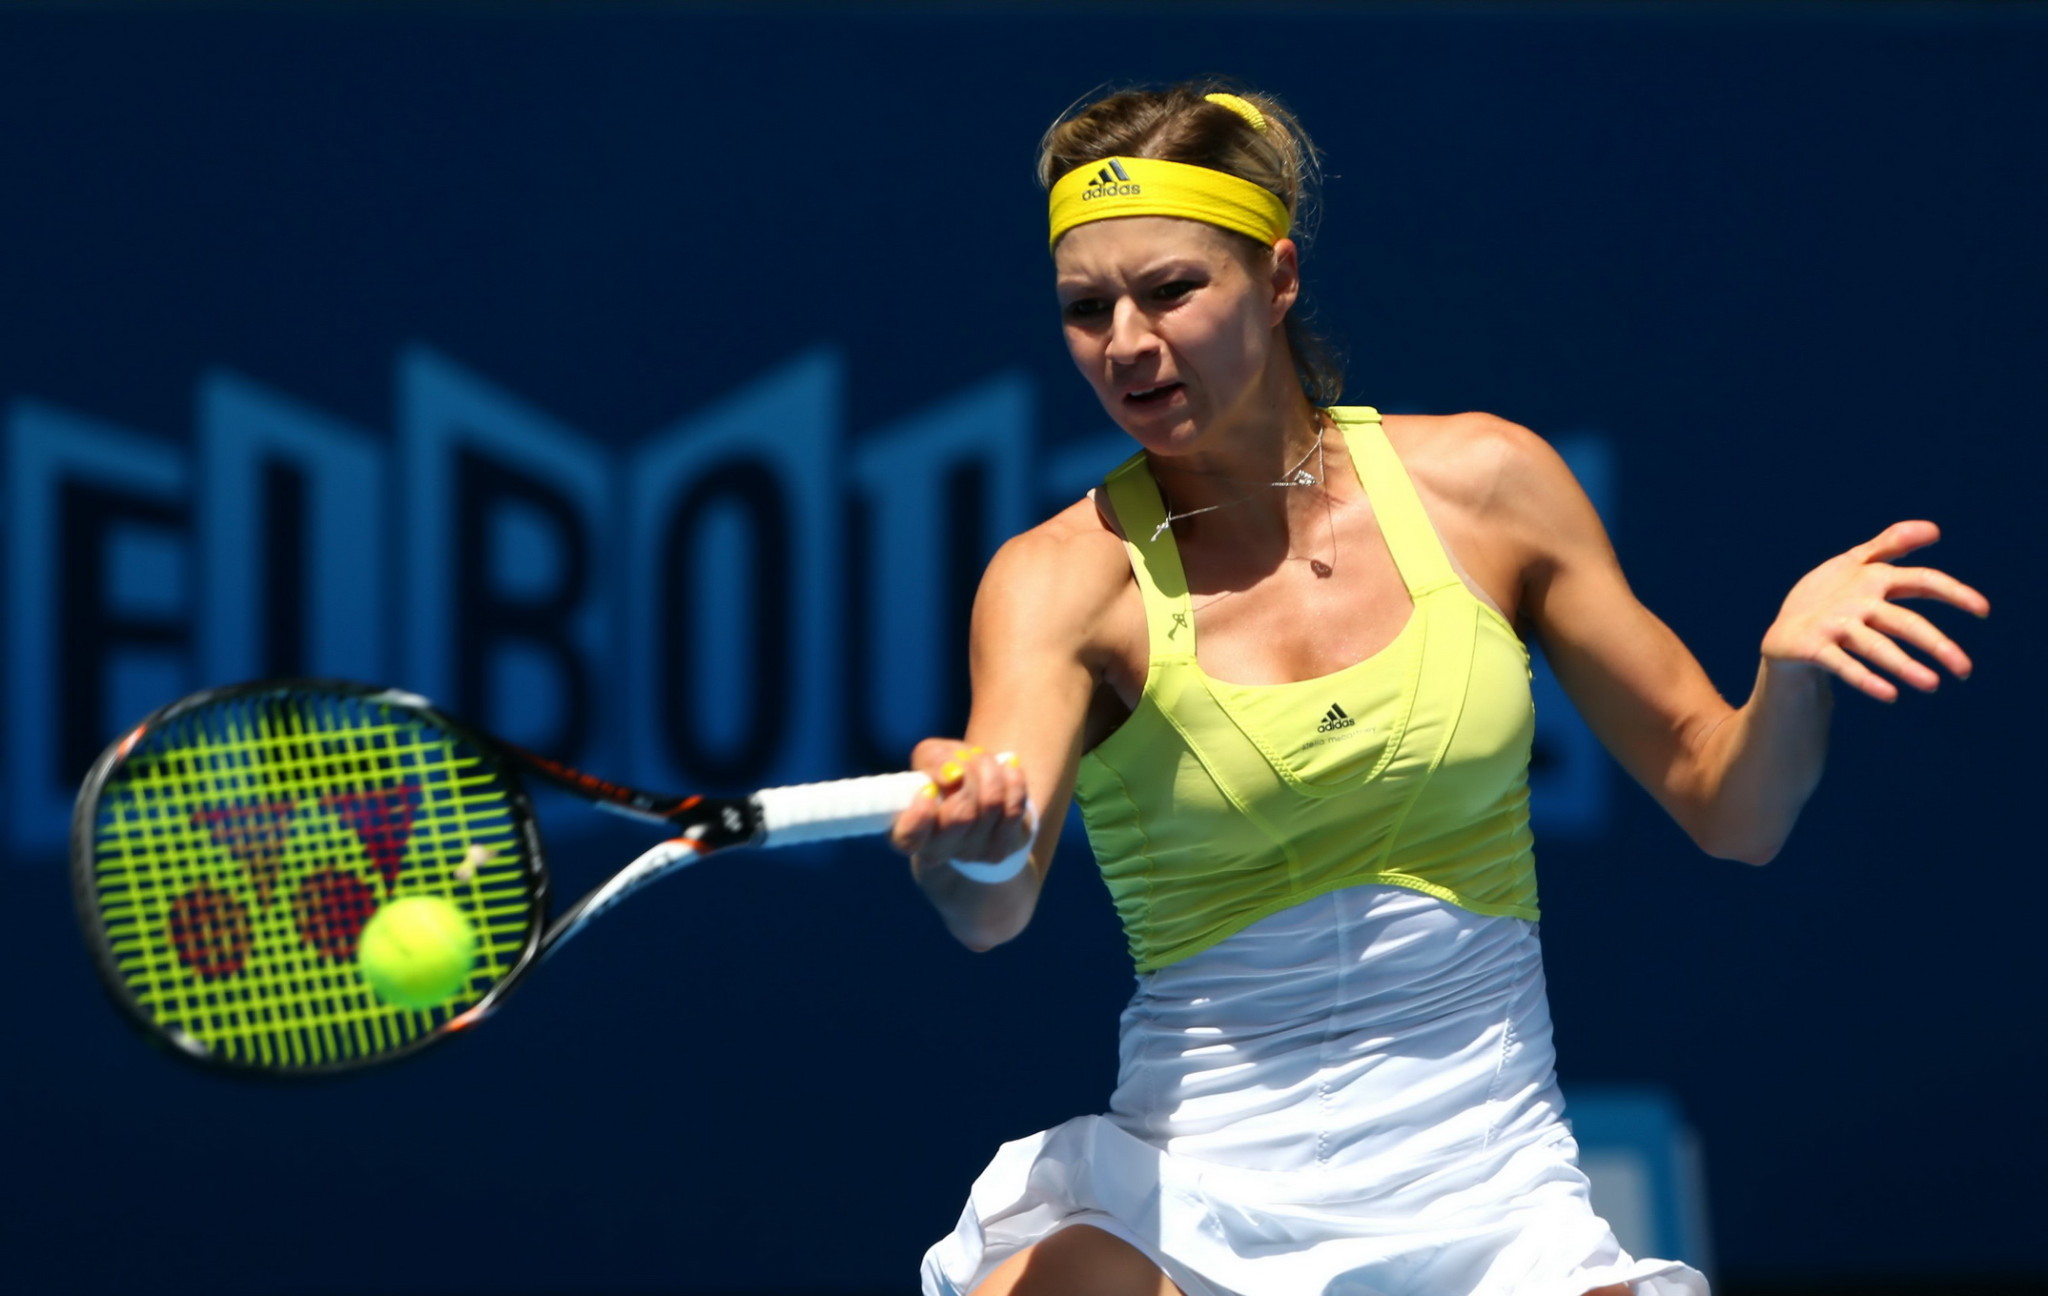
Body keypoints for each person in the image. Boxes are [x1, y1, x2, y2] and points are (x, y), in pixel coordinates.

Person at [889, 83, 1987, 1296]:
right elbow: (993, 896)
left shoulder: (1487, 483)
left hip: (1496, 1207)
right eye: (1085, 309)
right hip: (1193, 1204)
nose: (1126, 343)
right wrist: (967, 853)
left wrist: (1786, 683)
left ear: (1278, 276)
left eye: (1170, 290)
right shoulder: (1056, 581)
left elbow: (1732, 809)